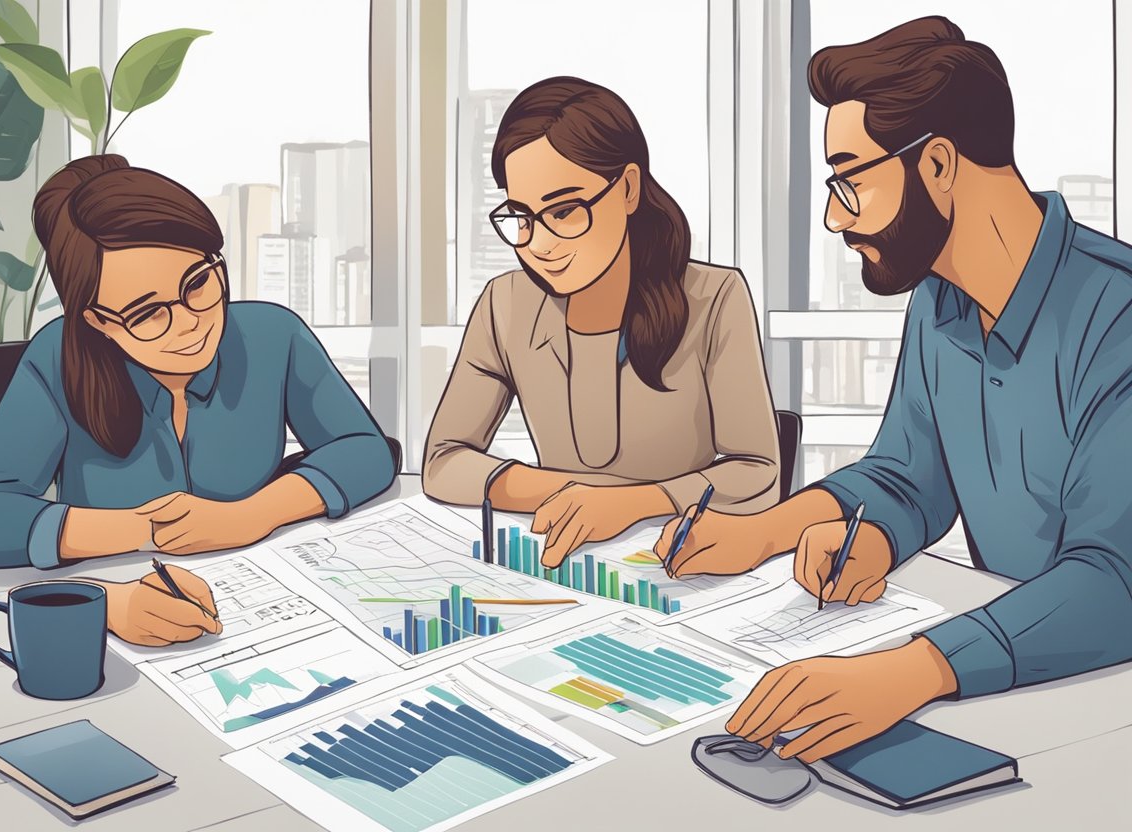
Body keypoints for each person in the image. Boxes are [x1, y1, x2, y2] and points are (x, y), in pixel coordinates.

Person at [655, 15, 1132, 764]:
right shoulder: (939, 304)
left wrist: (910, 672)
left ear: (938, 164)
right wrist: (784, 535)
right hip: (1005, 694)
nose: (833, 215)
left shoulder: (1119, 317)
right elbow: (908, 479)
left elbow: (1115, 583)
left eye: (850, 180)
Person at [0, 155, 396, 645]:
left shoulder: (271, 334)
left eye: (197, 283)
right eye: (147, 313)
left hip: (265, 600)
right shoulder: (58, 356)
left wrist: (252, 515)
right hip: (132, 606)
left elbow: (367, 450)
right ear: (98, 322)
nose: (188, 323)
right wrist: (133, 545)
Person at [424, 77, 780, 567]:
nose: (540, 244)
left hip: (680, 561)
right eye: (522, 217)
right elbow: (443, 462)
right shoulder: (505, 304)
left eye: (565, 211)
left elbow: (759, 474)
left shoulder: (714, 298)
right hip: (563, 556)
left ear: (628, 188)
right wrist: (569, 493)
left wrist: (631, 504)